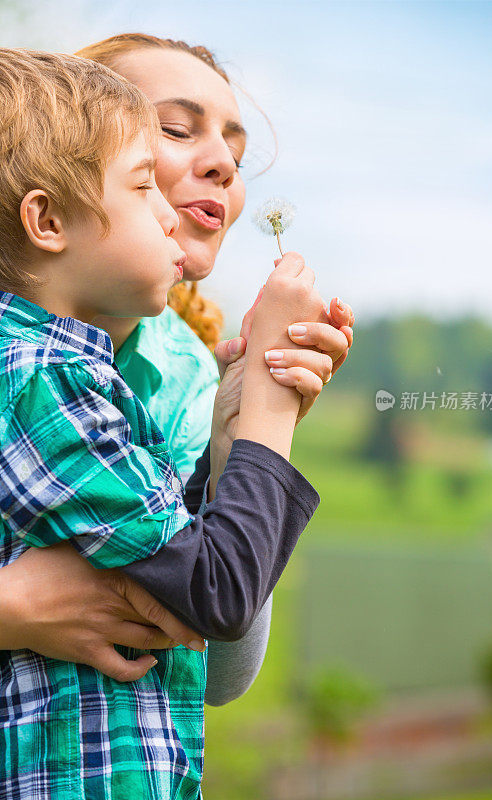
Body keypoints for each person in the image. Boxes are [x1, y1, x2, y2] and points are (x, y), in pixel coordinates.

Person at [0, 47, 351, 799]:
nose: (223, 163)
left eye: (234, 144)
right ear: (46, 206)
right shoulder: (38, 372)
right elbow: (218, 589)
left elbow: (212, 664)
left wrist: (232, 443)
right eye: (173, 129)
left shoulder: (190, 376)